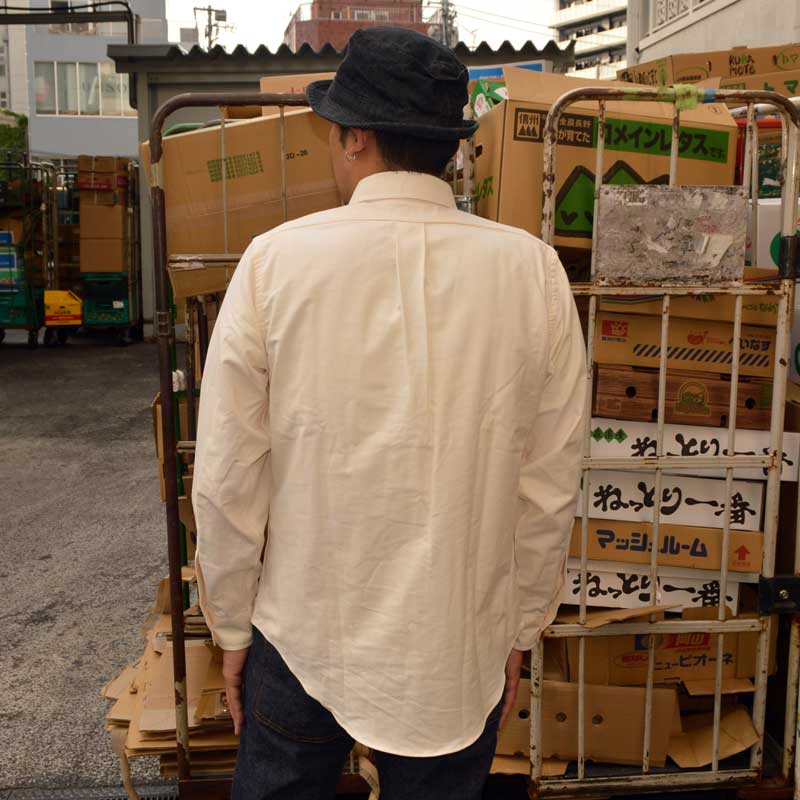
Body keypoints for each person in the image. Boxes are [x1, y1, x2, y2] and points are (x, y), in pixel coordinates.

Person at [193, 25, 586, 800]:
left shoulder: (276, 261)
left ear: (355, 137)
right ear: (446, 145)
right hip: (456, 641)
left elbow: (228, 474)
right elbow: (549, 482)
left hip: (305, 630)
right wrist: (519, 628)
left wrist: (231, 624)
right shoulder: (531, 271)